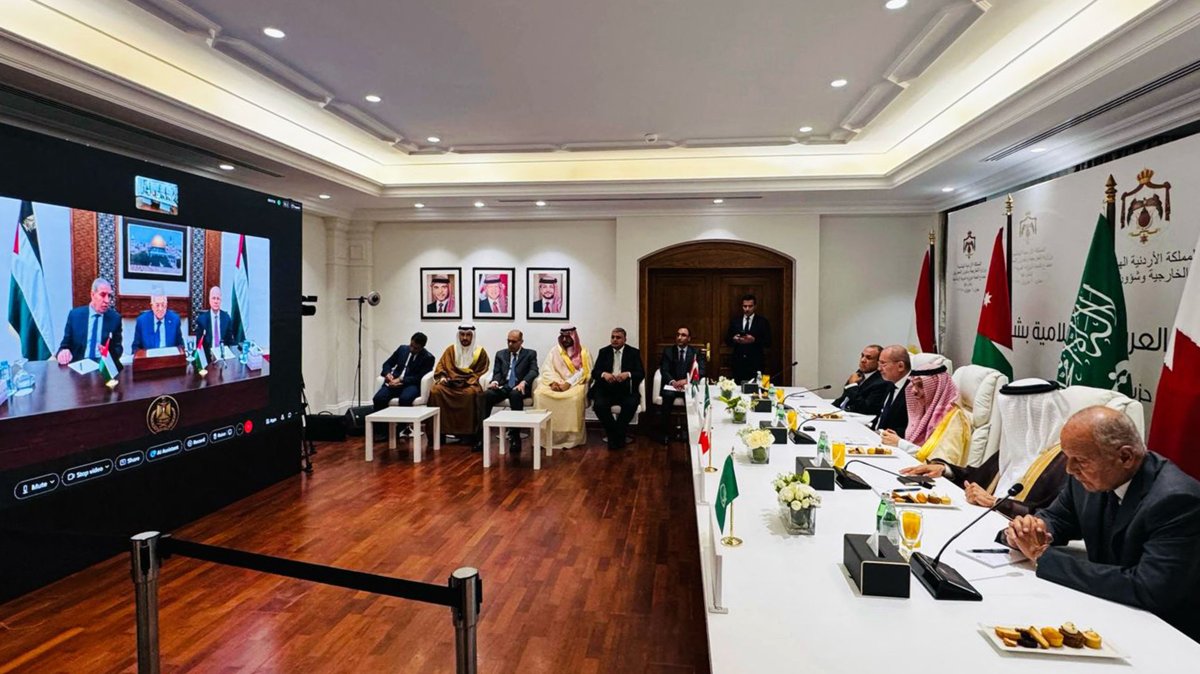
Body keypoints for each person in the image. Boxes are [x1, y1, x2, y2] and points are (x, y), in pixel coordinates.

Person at [1004, 406, 1200, 641]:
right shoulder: (1090, 479)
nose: (1070, 470)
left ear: (1125, 457)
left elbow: (1149, 588)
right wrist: (1028, 530)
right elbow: (1057, 518)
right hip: (1107, 607)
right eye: (1068, 458)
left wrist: (1043, 556)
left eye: (1080, 461)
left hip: (1167, 633)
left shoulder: (1177, 500)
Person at [901, 378, 1071, 517]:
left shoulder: (1066, 463)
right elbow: (979, 479)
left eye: (1013, 415)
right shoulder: (1017, 449)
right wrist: (944, 469)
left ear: (1033, 415)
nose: (1009, 423)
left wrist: (997, 504)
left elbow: (1053, 517)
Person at [879, 353, 970, 464]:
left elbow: (939, 461)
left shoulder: (953, 419)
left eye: (920, 385)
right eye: (913, 385)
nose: (913, 391)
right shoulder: (923, 409)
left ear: (937, 388)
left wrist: (900, 443)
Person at [477, 330, 539, 453]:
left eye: (514, 342)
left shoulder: (530, 354)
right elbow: (497, 372)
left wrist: (524, 382)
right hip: (504, 386)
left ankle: (515, 437)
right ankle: (481, 437)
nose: (510, 344)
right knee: (485, 395)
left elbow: (534, 371)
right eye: (508, 341)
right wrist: (495, 382)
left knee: (515, 395)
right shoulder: (500, 354)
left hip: (519, 387)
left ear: (521, 342)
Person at [428, 325, 490, 444]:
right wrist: (442, 377)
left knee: (471, 394)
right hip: (450, 383)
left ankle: (467, 434)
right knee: (435, 391)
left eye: (468, 335)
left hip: (468, 383)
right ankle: (438, 433)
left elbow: (481, 370)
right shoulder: (451, 350)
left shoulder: (480, 352)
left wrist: (470, 380)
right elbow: (441, 366)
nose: (465, 338)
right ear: (458, 335)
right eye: (462, 334)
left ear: (473, 336)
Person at [534, 326, 592, 449]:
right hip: (555, 383)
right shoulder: (554, 351)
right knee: (540, 394)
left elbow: (584, 372)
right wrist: (553, 383)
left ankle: (570, 439)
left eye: (568, 336)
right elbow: (547, 369)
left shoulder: (583, 352)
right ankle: (545, 438)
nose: (565, 339)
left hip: (574, 384)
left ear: (574, 337)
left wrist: (568, 383)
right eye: (563, 336)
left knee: (574, 398)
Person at [590, 328, 645, 450]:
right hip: (606, 389)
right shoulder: (604, 351)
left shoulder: (633, 352)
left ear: (625, 339)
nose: (614, 340)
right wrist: (604, 374)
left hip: (626, 390)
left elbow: (641, 373)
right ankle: (615, 433)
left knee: (631, 404)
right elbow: (595, 373)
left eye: (618, 337)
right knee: (599, 406)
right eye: (613, 337)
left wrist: (628, 374)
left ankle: (616, 434)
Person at [57, 277, 123, 366]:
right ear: (92, 295)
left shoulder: (115, 318)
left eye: (109, 296)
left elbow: (118, 348)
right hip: (79, 366)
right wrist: (63, 352)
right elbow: (64, 345)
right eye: (103, 295)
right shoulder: (75, 316)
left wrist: (108, 353)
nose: (107, 300)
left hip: (102, 367)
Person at [658, 326, 705, 443]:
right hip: (672, 386)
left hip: (688, 385)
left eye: (683, 335)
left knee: (692, 399)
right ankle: (665, 433)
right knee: (667, 397)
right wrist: (673, 382)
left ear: (689, 338)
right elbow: (664, 370)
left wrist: (685, 381)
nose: (679, 337)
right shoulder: (668, 351)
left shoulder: (695, 352)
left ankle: (690, 433)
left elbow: (702, 371)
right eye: (678, 335)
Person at [373, 332, 435, 411]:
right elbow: (387, 364)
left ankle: (401, 423)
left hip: (411, 384)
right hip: (393, 382)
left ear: (422, 347)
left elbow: (419, 377)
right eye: (411, 345)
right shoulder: (402, 349)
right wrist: (388, 374)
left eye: (415, 348)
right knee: (378, 398)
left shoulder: (428, 358)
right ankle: (382, 423)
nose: (412, 349)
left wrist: (401, 380)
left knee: (405, 399)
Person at [725, 294, 771, 382]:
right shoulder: (735, 321)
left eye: (750, 306)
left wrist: (754, 340)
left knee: (754, 390)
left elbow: (768, 342)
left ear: (755, 306)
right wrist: (734, 339)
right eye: (745, 306)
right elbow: (727, 340)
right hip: (738, 362)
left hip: (755, 362)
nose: (747, 309)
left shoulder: (762, 322)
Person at [832, 344, 890, 415]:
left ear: (879, 362)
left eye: (868, 358)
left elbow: (865, 408)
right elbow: (845, 397)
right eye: (862, 356)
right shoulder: (859, 373)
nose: (863, 360)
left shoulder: (882, 382)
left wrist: (852, 385)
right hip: (843, 413)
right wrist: (828, 408)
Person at [871, 345, 910, 436]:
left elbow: (910, 428)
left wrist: (881, 433)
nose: (879, 368)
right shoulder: (890, 384)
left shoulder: (913, 390)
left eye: (883, 363)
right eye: (879, 363)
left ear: (900, 366)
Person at [194, 286, 235, 357]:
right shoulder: (202, 319)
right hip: (208, 357)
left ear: (221, 300)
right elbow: (199, 345)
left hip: (223, 356)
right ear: (209, 300)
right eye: (213, 298)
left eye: (218, 299)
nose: (216, 301)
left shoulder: (226, 318)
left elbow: (230, 342)